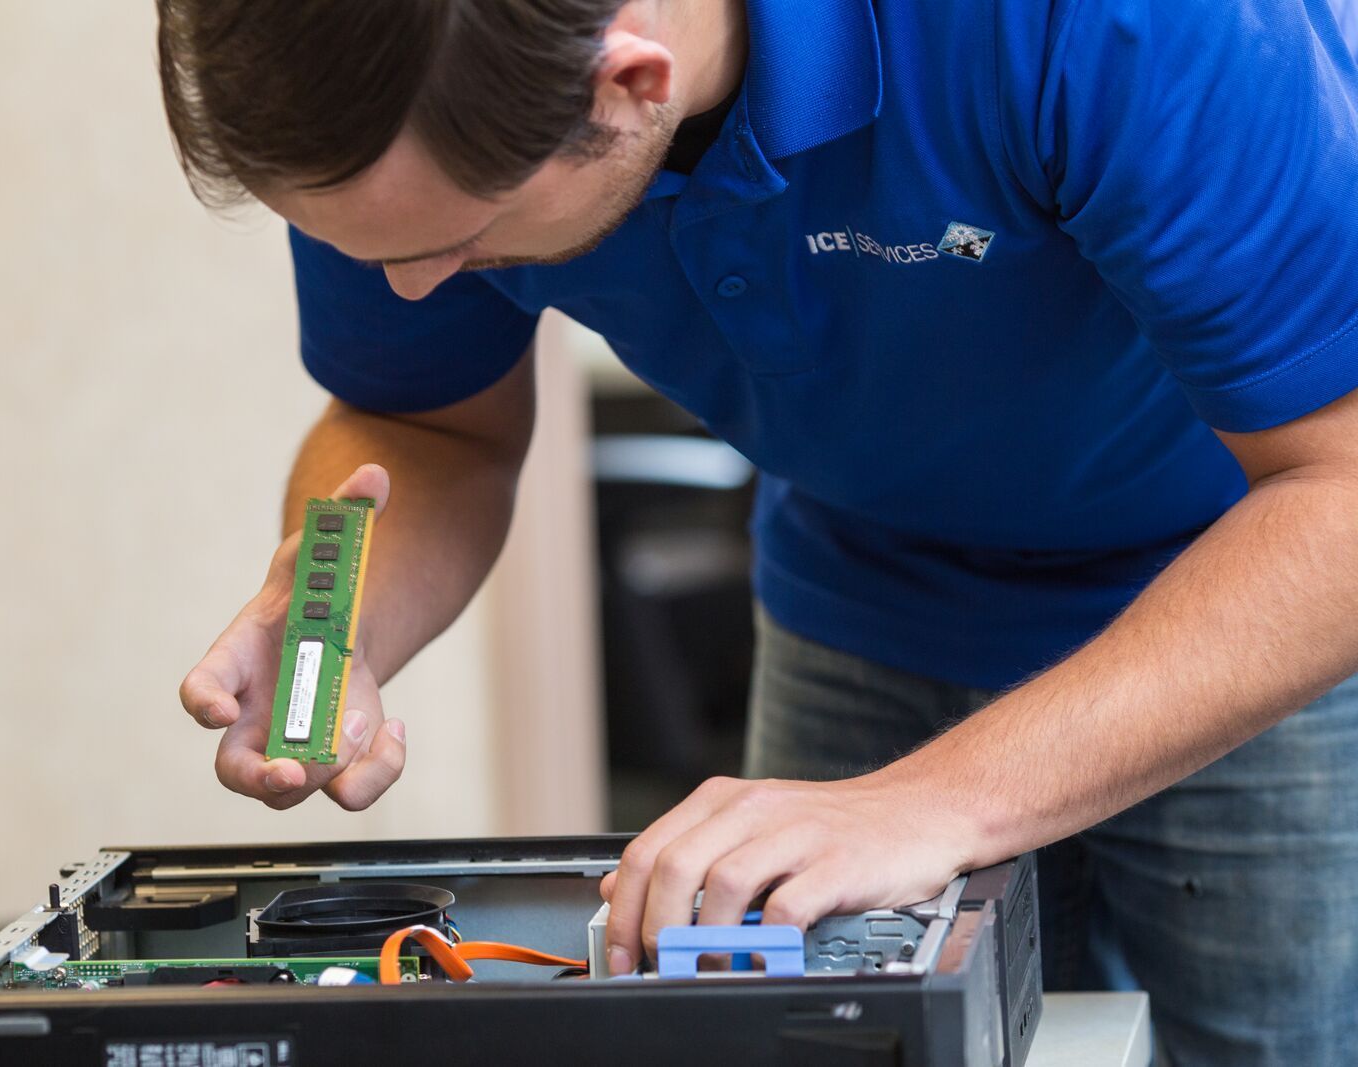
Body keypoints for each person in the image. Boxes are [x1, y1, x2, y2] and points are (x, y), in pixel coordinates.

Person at [160, 0, 1358, 1060]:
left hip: (1255, 606)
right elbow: (424, 423)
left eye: (455, 242)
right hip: (859, 590)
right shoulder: (404, 95)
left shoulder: (1109, 23)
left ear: (630, 86)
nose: (414, 287)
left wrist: (932, 800)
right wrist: (344, 625)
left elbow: (1341, 488)